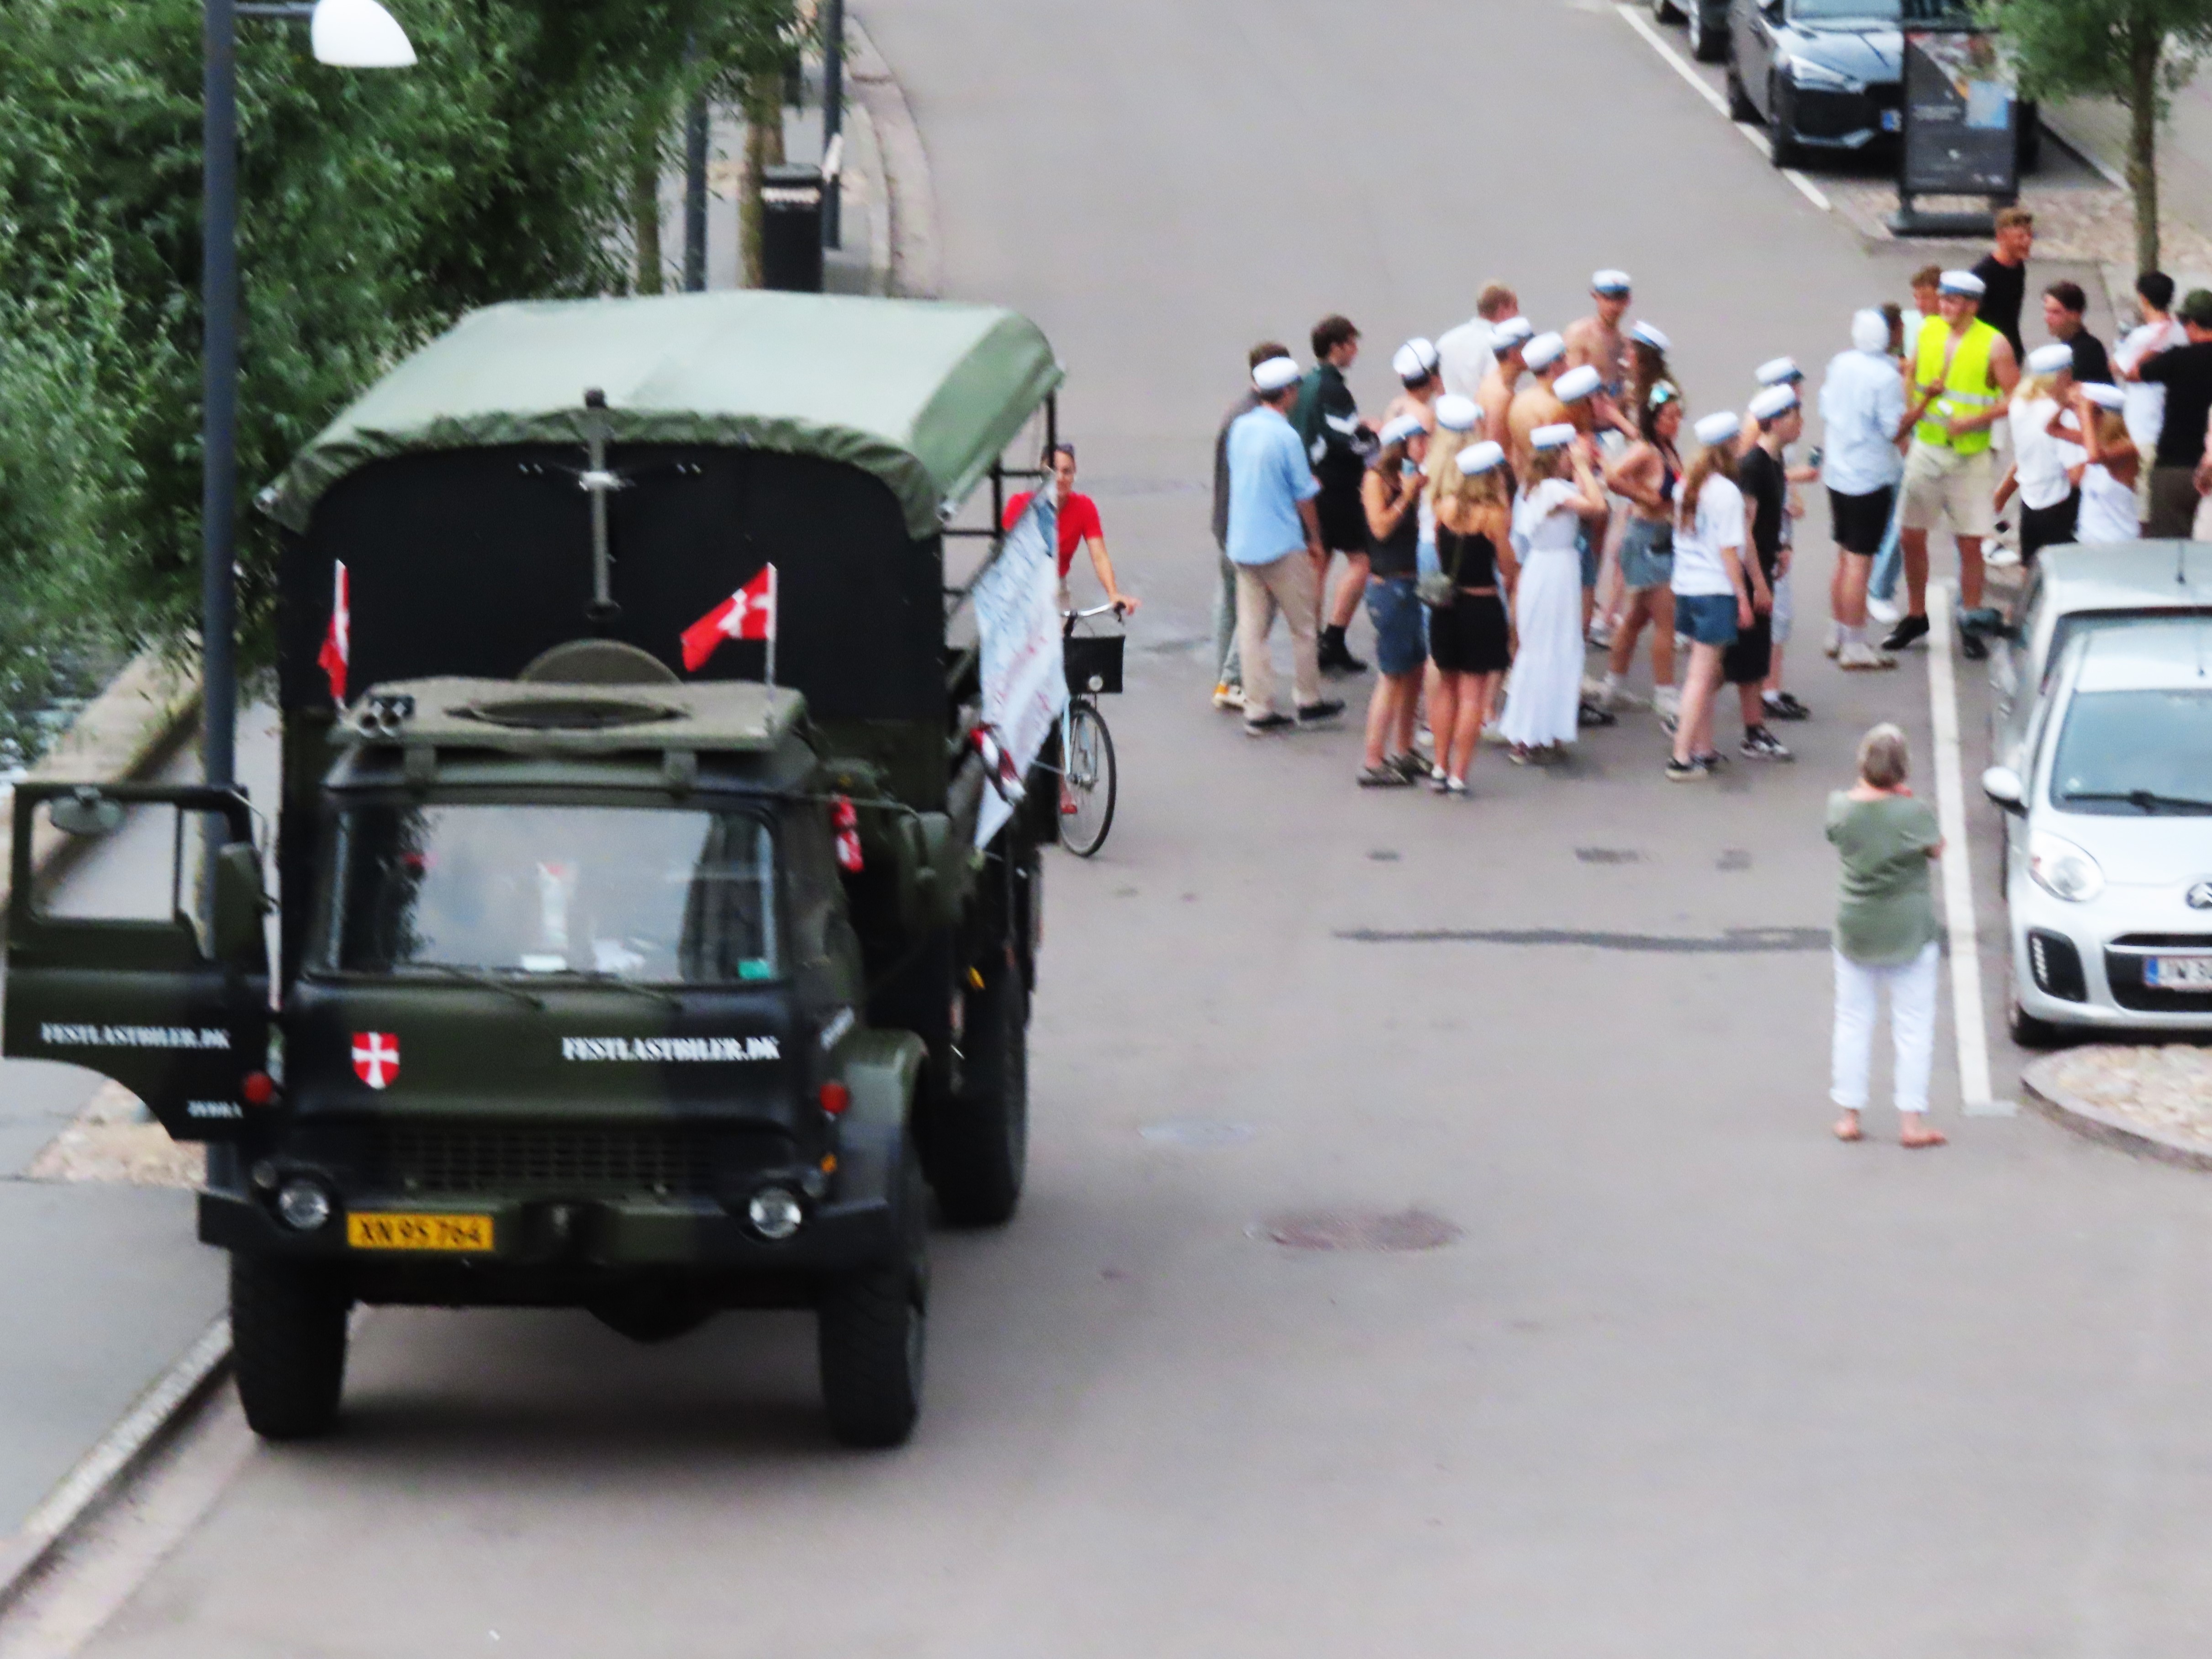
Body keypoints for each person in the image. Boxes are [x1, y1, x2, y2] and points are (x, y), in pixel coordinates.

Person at [1827, 723, 1946, 1150]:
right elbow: (1937, 849)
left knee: (1852, 1020)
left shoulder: (1839, 808)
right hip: (1908, 928)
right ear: (1903, 770)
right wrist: (1903, 799)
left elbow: (1837, 833)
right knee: (1913, 1026)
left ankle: (1849, 1115)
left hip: (1856, 925)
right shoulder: (1913, 813)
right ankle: (1911, 1122)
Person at [1890, 269, 2019, 661]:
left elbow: (2016, 397)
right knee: (1910, 534)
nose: (1944, 306)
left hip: (1969, 454)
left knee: (1970, 541)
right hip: (1927, 447)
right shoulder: (1928, 330)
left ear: (1972, 306)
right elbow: (1910, 374)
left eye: (1953, 301)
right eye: (1943, 299)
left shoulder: (1994, 343)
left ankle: (1971, 618)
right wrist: (1907, 424)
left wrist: (1974, 421)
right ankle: (1916, 614)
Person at [1227, 355, 1345, 735]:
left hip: (1243, 543)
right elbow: (1303, 495)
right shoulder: (1286, 436)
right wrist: (1316, 539)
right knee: (1303, 626)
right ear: (1289, 393)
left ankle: (1258, 708)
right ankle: (1307, 699)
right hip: (1281, 544)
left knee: (1252, 630)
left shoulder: (1240, 427)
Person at [1499, 423, 1607, 764]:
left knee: (1560, 648)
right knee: (1545, 650)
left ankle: (1546, 731)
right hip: (1551, 573)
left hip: (1557, 570)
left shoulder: (1542, 487)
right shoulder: (1549, 490)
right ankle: (1527, 735)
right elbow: (1597, 506)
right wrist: (1583, 468)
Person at [1820, 309, 1909, 671]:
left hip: (1837, 470)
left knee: (1844, 555)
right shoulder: (1886, 378)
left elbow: (1827, 406)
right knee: (1860, 561)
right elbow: (1893, 430)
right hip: (1869, 476)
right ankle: (1855, 644)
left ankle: (1838, 631)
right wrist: (1921, 405)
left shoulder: (1841, 363)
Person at [1667, 410, 1753, 782]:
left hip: (1686, 586)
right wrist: (1743, 598)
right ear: (1729, 446)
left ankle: (1702, 747)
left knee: (1707, 672)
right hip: (1714, 590)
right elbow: (1729, 551)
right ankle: (1680, 756)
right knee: (1701, 676)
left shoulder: (1686, 485)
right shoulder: (1726, 493)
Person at [1427, 438, 1515, 795]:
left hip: (1447, 606)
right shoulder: (1494, 516)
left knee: (1446, 688)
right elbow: (1507, 566)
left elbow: (1440, 553)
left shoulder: (1444, 508)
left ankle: (1438, 765)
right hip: (1481, 606)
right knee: (1471, 695)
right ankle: (1458, 774)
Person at [1210, 340, 1292, 710]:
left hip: (1226, 523)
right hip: (1245, 528)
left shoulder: (1237, 412)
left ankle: (1227, 680)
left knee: (1230, 603)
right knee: (1255, 606)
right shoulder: (1254, 418)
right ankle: (1232, 679)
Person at [1292, 316, 1373, 676]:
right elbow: (1348, 442)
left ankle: (1309, 644)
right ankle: (1333, 638)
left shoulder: (1306, 384)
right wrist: (1373, 437)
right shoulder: (1333, 389)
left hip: (1311, 482)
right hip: (1336, 486)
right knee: (1361, 561)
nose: (1355, 351)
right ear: (1337, 347)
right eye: (1351, 344)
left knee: (1318, 564)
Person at [1599, 379, 1684, 718]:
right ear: (1654, 419)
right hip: (1647, 539)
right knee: (1666, 619)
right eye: (1669, 417)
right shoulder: (1646, 450)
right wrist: (1646, 497)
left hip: (1661, 536)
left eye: (1678, 416)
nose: (1676, 423)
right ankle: (1665, 692)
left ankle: (1612, 686)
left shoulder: (1667, 448)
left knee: (1636, 617)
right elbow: (1613, 477)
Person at [1868, 269, 1946, 629]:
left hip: (1942, 434)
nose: (1919, 303)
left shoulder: (1949, 331)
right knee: (1905, 516)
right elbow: (1895, 366)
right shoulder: (1912, 327)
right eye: (1916, 297)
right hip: (1912, 431)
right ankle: (1879, 588)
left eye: (1924, 297)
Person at [1356, 414, 1430, 787]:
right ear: (1402, 444)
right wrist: (1408, 496)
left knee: (1414, 672)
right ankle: (1373, 760)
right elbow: (1380, 527)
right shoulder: (1376, 479)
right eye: (1420, 440)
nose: (1426, 446)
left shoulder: (1413, 475)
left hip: (1412, 583)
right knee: (1391, 675)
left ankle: (1405, 750)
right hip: (1391, 587)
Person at [1730, 385, 1797, 762]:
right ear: (1775, 421)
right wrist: (1757, 584)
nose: (1800, 423)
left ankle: (1754, 729)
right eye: (1794, 416)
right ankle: (1690, 716)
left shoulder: (1775, 461)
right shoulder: (1754, 467)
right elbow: (1745, 531)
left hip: (1764, 569)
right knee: (1731, 659)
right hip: (1749, 575)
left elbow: (1772, 519)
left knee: (1755, 656)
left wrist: (1783, 547)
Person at [1003, 444, 1140, 618]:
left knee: (1063, 632)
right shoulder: (1020, 505)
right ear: (1041, 473)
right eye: (1053, 471)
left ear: (1075, 474)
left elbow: (1099, 556)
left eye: (1067, 472)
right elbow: (1004, 556)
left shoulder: (1084, 507)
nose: (1060, 478)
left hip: (1056, 588)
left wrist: (1113, 594)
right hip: (1021, 586)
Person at [2120, 286, 2212, 536]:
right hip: (2209, 465)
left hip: (2175, 465)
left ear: (2191, 322)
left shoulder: (2177, 358)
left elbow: (2132, 373)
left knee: (2170, 548)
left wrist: (2154, 346)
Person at [1993, 343, 2081, 566]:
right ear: (2062, 376)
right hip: (2061, 506)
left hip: (2030, 506)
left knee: (2032, 573)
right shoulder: (2063, 416)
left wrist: (2001, 495)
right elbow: (2076, 475)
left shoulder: (2020, 407)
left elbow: (2024, 457)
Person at [2117, 271, 2185, 464]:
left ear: (2143, 298)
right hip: (2173, 421)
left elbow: (2121, 367)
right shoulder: (2181, 331)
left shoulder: (2143, 336)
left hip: (2145, 425)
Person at [1564, 269, 1637, 439]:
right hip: (1587, 431)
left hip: (1616, 431)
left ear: (1628, 300)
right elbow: (1571, 389)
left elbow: (1624, 392)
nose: (1613, 306)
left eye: (1619, 299)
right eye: (1607, 298)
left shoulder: (1624, 343)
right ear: (1595, 297)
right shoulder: (1580, 335)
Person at [2073, 381, 2142, 542]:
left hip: (2117, 544)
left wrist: (2086, 413)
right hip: (2089, 540)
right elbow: (2052, 429)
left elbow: (2094, 458)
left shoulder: (2129, 448)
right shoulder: (2095, 445)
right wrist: (2067, 404)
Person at [1971, 205, 2035, 364]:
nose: (2027, 242)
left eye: (2030, 236)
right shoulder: (1983, 274)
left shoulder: (2018, 266)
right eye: (2020, 237)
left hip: (2011, 350)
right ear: (2001, 238)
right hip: (1986, 355)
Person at [1437, 281, 1518, 402]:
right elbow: (1498, 389)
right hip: (1484, 411)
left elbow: (1437, 385)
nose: (1518, 314)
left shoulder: (1444, 342)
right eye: (1515, 308)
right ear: (1502, 310)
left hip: (1447, 411)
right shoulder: (1498, 346)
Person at [1507, 332, 1571, 477]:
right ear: (1554, 366)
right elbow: (1561, 460)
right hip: (1554, 481)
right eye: (1564, 359)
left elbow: (1516, 455)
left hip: (1528, 481)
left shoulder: (1519, 401)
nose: (1568, 365)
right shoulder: (1555, 406)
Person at [1477, 317, 1535, 455]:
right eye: (1530, 346)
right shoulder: (1502, 396)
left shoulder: (1493, 381)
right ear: (1513, 353)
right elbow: (1497, 452)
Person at [2041, 280, 2111, 387]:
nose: (2047, 318)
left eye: (2055, 312)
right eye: (2046, 311)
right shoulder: (2069, 347)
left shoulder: (2087, 352)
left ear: (2075, 315)